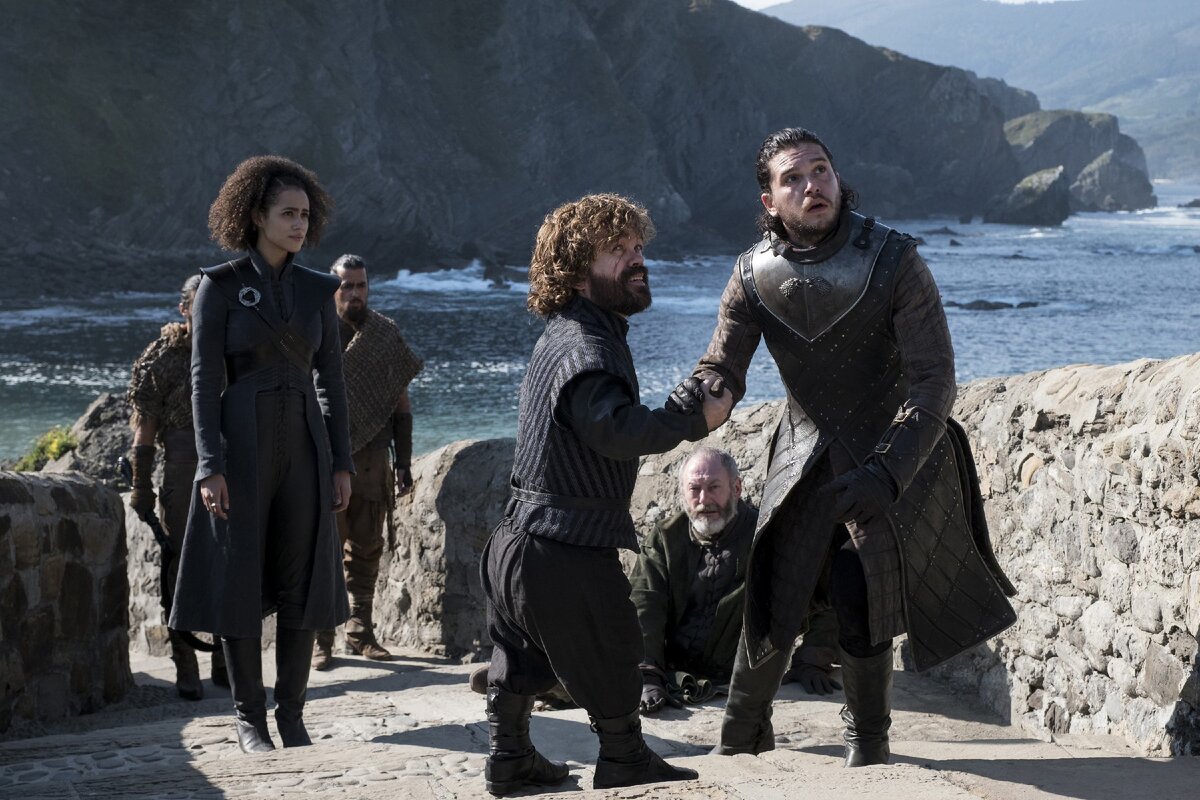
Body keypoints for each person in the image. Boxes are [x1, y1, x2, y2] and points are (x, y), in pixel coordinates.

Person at [668, 128, 1016, 766]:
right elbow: (722, 367)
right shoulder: (750, 275)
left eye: (821, 170)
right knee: (774, 587)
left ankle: (868, 740)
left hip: (893, 450)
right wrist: (695, 399)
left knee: (862, 588)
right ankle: (741, 735)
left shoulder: (894, 259)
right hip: (801, 450)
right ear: (770, 201)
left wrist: (888, 473)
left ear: (836, 176)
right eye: (794, 178)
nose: (812, 185)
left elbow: (934, 380)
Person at [480, 193, 730, 795]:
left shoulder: (566, 334)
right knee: (616, 646)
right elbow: (613, 430)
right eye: (617, 250)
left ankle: (510, 759)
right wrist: (693, 416)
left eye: (637, 246)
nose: (637, 259)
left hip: (518, 539)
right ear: (574, 270)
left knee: (520, 659)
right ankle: (623, 758)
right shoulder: (587, 347)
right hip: (561, 544)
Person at [170, 155, 354, 754]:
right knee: (239, 581)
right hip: (240, 446)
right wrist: (209, 465)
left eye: (305, 214)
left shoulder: (319, 290)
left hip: (305, 445)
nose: (299, 224)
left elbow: (332, 381)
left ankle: (292, 715)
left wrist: (342, 462)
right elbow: (203, 382)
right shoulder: (218, 287)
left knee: (302, 581)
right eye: (287, 214)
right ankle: (250, 719)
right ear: (256, 215)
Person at [630, 447, 840, 716]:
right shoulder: (665, 538)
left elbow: (821, 591)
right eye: (694, 489)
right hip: (673, 672)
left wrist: (812, 659)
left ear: (737, 488)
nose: (704, 500)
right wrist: (646, 672)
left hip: (744, 678)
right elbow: (644, 602)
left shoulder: (767, 536)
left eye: (714, 487)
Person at [312, 254, 424, 670]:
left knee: (366, 550)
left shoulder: (383, 334)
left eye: (361, 285)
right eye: (347, 286)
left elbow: (401, 402)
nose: (355, 293)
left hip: (375, 460)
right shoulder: (315, 331)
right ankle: (321, 638)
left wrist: (404, 462)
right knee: (324, 551)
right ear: (333, 288)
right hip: (326, 461)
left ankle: (360, 632)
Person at [126, 274, 228, 700]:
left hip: (230, 468)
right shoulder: (163, 358)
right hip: (181, 473)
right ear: (184, 308)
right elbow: (145, 428)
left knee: (228, 565)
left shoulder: (232, 352)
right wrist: (141, 486)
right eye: (198, 303)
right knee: (178, 569)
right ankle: (186, 664)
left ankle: (225, 660)